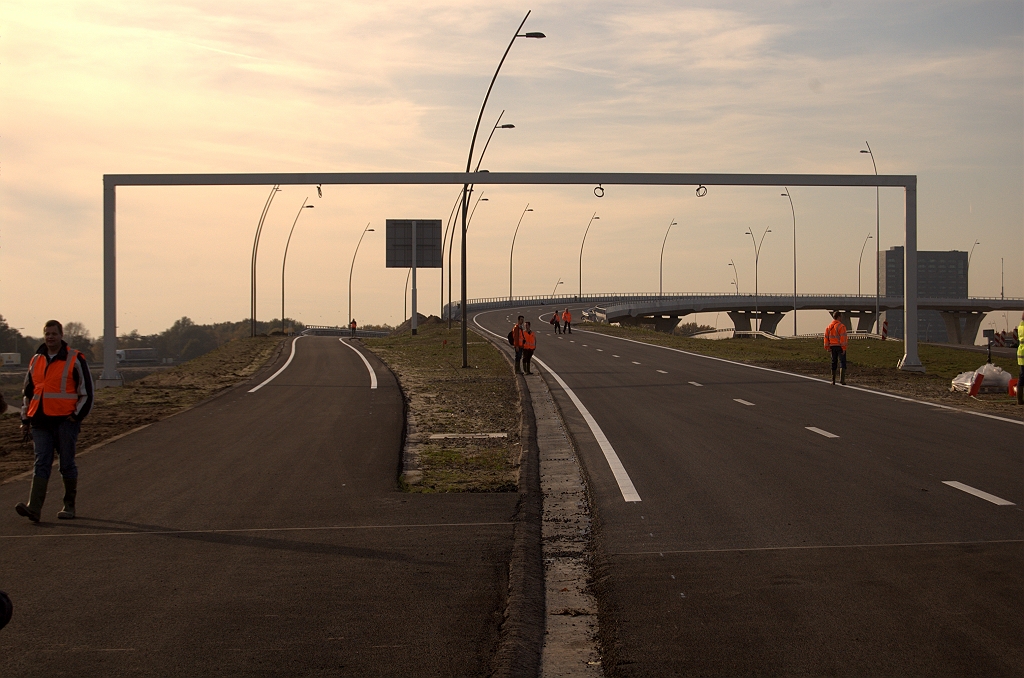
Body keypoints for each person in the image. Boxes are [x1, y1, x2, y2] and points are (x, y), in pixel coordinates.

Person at [15, 320, 94, 522]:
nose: (50, 337)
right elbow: (28, 392)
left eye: (54, 334)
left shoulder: (74, 359)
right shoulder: (36, 360)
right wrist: (25, 419)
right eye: (47, 333)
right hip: (40, 421)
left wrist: (75, 416)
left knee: (66, 464)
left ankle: (69, 505)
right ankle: (34, 508)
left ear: (61, 335)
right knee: (41, 462)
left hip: (65, 421)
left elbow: (86, 393)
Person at [824, 310, 848, 385]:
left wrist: (827, 347)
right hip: (839, 346)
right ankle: (842, 379)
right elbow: (843, 338)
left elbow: (826, 338)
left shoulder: (829, 327)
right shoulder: (841, 326)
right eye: (841, 316)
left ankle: (833, 380)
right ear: (838, 317)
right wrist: (844, 348)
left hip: (832, 347)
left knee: (833, 362)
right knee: (842, 362)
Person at [1016, 311, 1024, 406]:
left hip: (1021, 353)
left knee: (1022, 377)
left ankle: (1020, 400)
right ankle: (1020, 400)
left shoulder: (1021, 326)